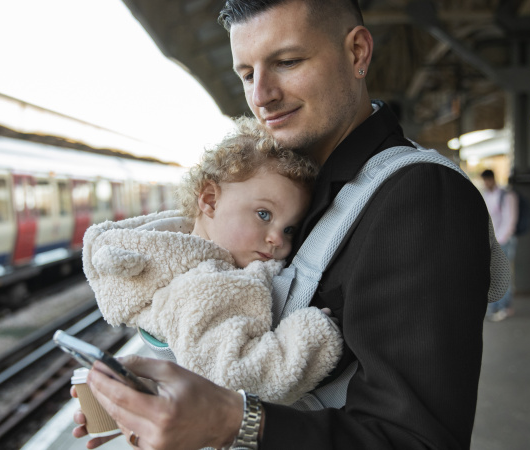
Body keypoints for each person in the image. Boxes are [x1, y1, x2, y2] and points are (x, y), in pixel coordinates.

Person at [75, 1, 494, 449]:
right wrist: (153, 397)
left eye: (287, 62)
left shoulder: (418, 195)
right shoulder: (297, 191)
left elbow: (418, 440)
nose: (262, 95)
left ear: (357, 53)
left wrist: (230, 420)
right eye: (247, 74)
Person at [81, 117, 342, 406]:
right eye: (264, 215)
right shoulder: (207, 285)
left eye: (289, 229)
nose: (278, 239)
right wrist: (313, 335)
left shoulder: (182, 261)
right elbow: (236, 378)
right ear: (209, 200)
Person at [480, 169, 518, 322]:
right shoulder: (486, 194)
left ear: (493, 179)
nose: (486, 183)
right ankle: (495, 307)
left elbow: (510, 220)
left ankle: (504, 307)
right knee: (493, 274)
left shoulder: (506, 195)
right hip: (492, 241)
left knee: (503, 274)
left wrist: (500, 240)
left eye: (487, 180)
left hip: (503, 241)